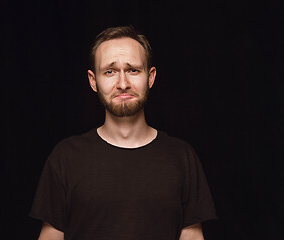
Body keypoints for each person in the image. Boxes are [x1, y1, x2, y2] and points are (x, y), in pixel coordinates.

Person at [29, 25, 216, 240]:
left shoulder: (182, 157)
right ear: (93, 81)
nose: (123, 84)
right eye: (110, 71)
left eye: (133, 70)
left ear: (150, 77)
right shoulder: (65, 158)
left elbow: (192, 237)